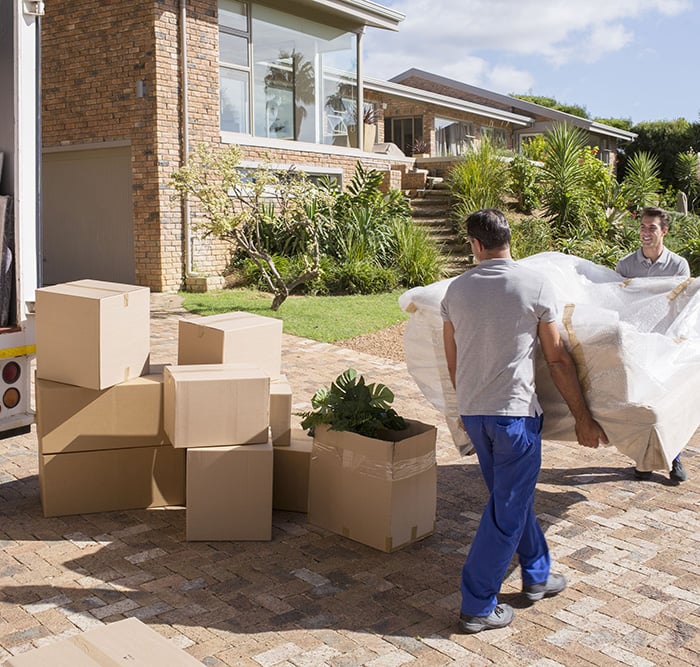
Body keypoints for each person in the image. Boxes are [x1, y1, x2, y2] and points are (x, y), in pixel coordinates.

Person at [441, 209, 608, 634]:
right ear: (508, 240)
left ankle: (536, 574)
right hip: (514, 416)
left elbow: (453, 359)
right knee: (506, 512)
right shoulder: (535, 284)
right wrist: (583, 418)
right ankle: (477, 603)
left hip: (476, 413)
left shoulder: (455, 291)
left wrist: (462, 410)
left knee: (510, 500)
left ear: (476, 245)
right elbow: (557, 359)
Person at [616, 206, 690, 483]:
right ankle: (643, 461)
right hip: (636, 343)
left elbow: (680, 306)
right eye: (643, 227)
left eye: (652, 228)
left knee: (667, 401)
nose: (646, 233)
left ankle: (675, 458)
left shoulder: (678, 265)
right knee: (642, 403)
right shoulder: (626, 265)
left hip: (665, 342)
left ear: (664, 232)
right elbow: (619, 302)